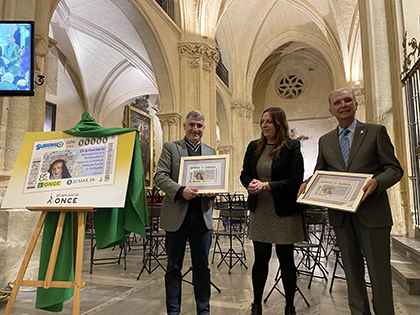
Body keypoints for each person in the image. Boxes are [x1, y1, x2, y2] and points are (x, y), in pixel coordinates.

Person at [298, 87, 403, 315]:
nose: (343, 105)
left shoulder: (375, 132)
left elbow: (394, 169)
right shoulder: (326, 141)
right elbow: (320, 173)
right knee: (352, 276)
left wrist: (377, 182)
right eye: (338, 102)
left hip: (373, 215)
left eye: (347, 100)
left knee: (379, 275)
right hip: (342, 218)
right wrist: (308, 183)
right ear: (331, 110)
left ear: (356, 104)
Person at [240, 107, 305, 315]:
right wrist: (249, 184)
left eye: (268, 121)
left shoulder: (292, 146)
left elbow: (295, 180)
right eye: (262, 121)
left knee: (286, 258)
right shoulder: (254, 147)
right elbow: (245, 174)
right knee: (260, 258)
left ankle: (289, 306)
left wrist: (267, 186)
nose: (264, 125)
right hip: (261, 210)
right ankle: (256, 304)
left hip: (284, 210)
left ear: (279, 123)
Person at [154, 110, 216, 315]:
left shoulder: (211, 152)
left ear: (204, 128)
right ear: (184, 126)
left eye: (199, 126)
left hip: (202, 217)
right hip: (177, 217)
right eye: (191, 125)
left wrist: (213, 191)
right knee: (173, 267)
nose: (195, 129)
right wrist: (181, 190)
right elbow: (160, 176)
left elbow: (216, 181)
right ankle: (173, 311)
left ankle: (203, 310)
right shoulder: (171, 148)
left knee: (202, 268)